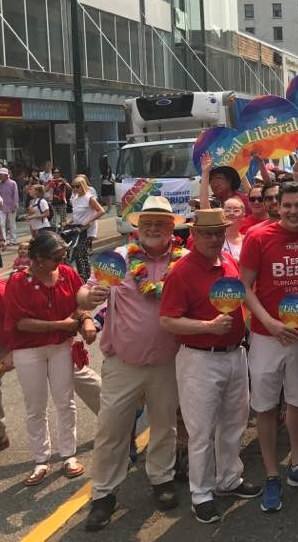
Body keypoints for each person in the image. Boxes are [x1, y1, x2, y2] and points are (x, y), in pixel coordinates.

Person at [79, 196, 188, 530]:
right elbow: (84, 294)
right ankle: (103, 493)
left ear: (171, 229)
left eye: (160, 224)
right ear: (137, 228)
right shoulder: (120, 259)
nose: (153, 229)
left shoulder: (184, 261)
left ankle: (161, 479)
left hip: (168, 362)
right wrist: (89, 299)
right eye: (147, 224)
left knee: (165, 425)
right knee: (111, 429)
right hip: (123, 363)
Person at [159, 208, 261, 524]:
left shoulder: (227, 260)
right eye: (207, 233)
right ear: (194, 235)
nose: (214, 238)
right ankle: (201, 494)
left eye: (218, 232)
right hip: (199, 358)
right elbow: (167, 320)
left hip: (234, 354)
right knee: (201, 431)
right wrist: (207, 327)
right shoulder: (181, 271)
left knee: (234, 421)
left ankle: (228, 478)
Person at [240, 182, 298, 511]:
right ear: (278, 206)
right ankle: (272, 474)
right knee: (264, 407)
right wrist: (270, 323)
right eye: (287, 205)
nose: (292, 211)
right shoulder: (258, 237)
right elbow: (245, 287)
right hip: (266, 336)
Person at [0, 274, 102, 463]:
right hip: (4, 339)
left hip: (42, 330)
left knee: (75, 374)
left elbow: (33, 316)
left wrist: (15, 354)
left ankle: (120, 417)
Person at [4, 231, 94, 485]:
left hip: (60, 346)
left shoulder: (67, 274)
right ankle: (41, 460)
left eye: (63, 256)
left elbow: (80, 302)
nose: (61, 261)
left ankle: (68, 455)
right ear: (38, 259)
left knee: (65, 402)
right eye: (56, 258)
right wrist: (59, 325)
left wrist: (86, 319)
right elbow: (20, 322)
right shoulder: (18, 282)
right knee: (35, 406)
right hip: (28, 350)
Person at [69, 175, 106, 280]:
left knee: (79, 254)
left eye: (77, 186)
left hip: (88, 231)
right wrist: (68, 221)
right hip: (77, 230)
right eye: (73, 186)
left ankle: (84, 278)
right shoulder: (75, 199)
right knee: (82, 255)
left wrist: (88, 221)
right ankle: (87, 278)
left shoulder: (89, 198)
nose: (75, 188)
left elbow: (101, 211)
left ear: (83, 186)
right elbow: (76, 215)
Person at [0, 168, 19, 245]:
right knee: (1, 224)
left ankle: (13, 240)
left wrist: (14, 205)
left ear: (5, 175)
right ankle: (3, 240)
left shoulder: (13, 183)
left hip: (12, 206)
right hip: (1, 207)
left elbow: (15, 195)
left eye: (0, 174)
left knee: (12, 224)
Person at [220, 196, 247, 262]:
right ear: (222, 215)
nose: (231, 213)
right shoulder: (217, 240)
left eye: (236, 210)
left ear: (243, 216)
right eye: (227, 210)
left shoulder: (247, 240)